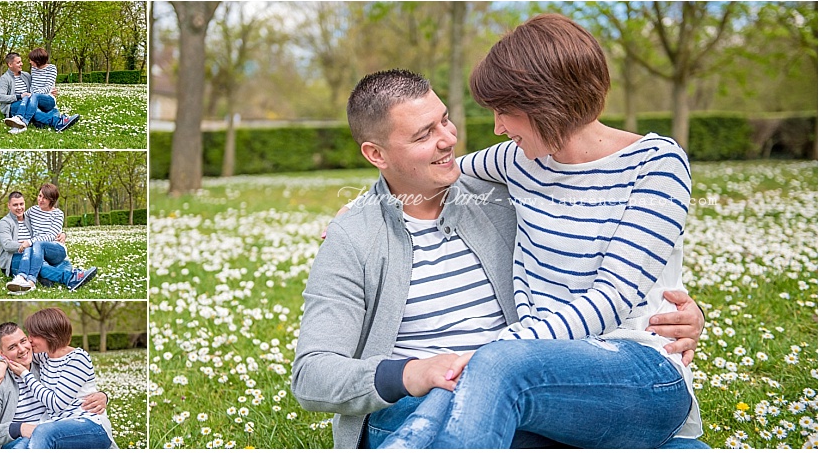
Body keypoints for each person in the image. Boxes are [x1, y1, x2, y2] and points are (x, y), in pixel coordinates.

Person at [291, 68, 706, 449]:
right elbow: (313, 375)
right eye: (423, 136)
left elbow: (580, 257)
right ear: (376, 155)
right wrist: (412, 373)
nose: (448, 139)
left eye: (445, 120)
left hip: (529, 388)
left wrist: (676, 307)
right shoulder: (353, 239)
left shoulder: (500, 199)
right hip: (414, 408)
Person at [0, 308, 116, 449]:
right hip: (56, 428)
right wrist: (0, 364)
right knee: (25, 443)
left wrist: (25, 375)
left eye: (33, 335)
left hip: (89, 426)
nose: (29, 340)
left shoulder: (78, 359)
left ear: (50, 336)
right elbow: (13, 356)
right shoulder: (44, 356)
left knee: (43, 431)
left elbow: (56, 403)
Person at [0, 189, 97, 294]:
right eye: (15, 205)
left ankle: (41, 279)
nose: (19, 208)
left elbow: (45, 229)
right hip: (15, 258)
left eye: (21, 204)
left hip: (35, 253)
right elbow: (7, 245)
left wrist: (62, 233)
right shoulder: (5, 223)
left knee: (41, 262)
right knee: (42, 266)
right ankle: (69, 278)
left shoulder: (28, 217)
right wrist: (26, 244)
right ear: (9, 205)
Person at [0, 52, 79, 134]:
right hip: (13, 105)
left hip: (29, 101)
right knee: (35, 110)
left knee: (35, 107)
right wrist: (19, 96)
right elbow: (1, 97)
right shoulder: (4, 79)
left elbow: (38, 85)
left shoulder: (26, 75)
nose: (22, 64)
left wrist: (51, 91)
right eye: (18, 62)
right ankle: (56, 122)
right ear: (10, 65)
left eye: (21, 61)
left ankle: (32, 122)